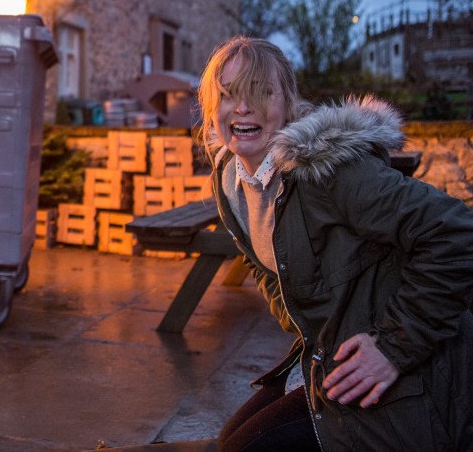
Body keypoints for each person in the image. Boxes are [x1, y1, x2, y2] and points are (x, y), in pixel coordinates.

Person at [197, 35, 473, 451]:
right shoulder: (230, 179)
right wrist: (307, 321)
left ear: (288, 103)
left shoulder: (328, 173)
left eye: (260, 91)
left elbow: (458, 232)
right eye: (228, 94)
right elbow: (261, 260)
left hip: (418, 369)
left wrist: (392, 348)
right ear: (209, 108)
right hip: (334, 355)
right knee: (230, 441)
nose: (242, 107)